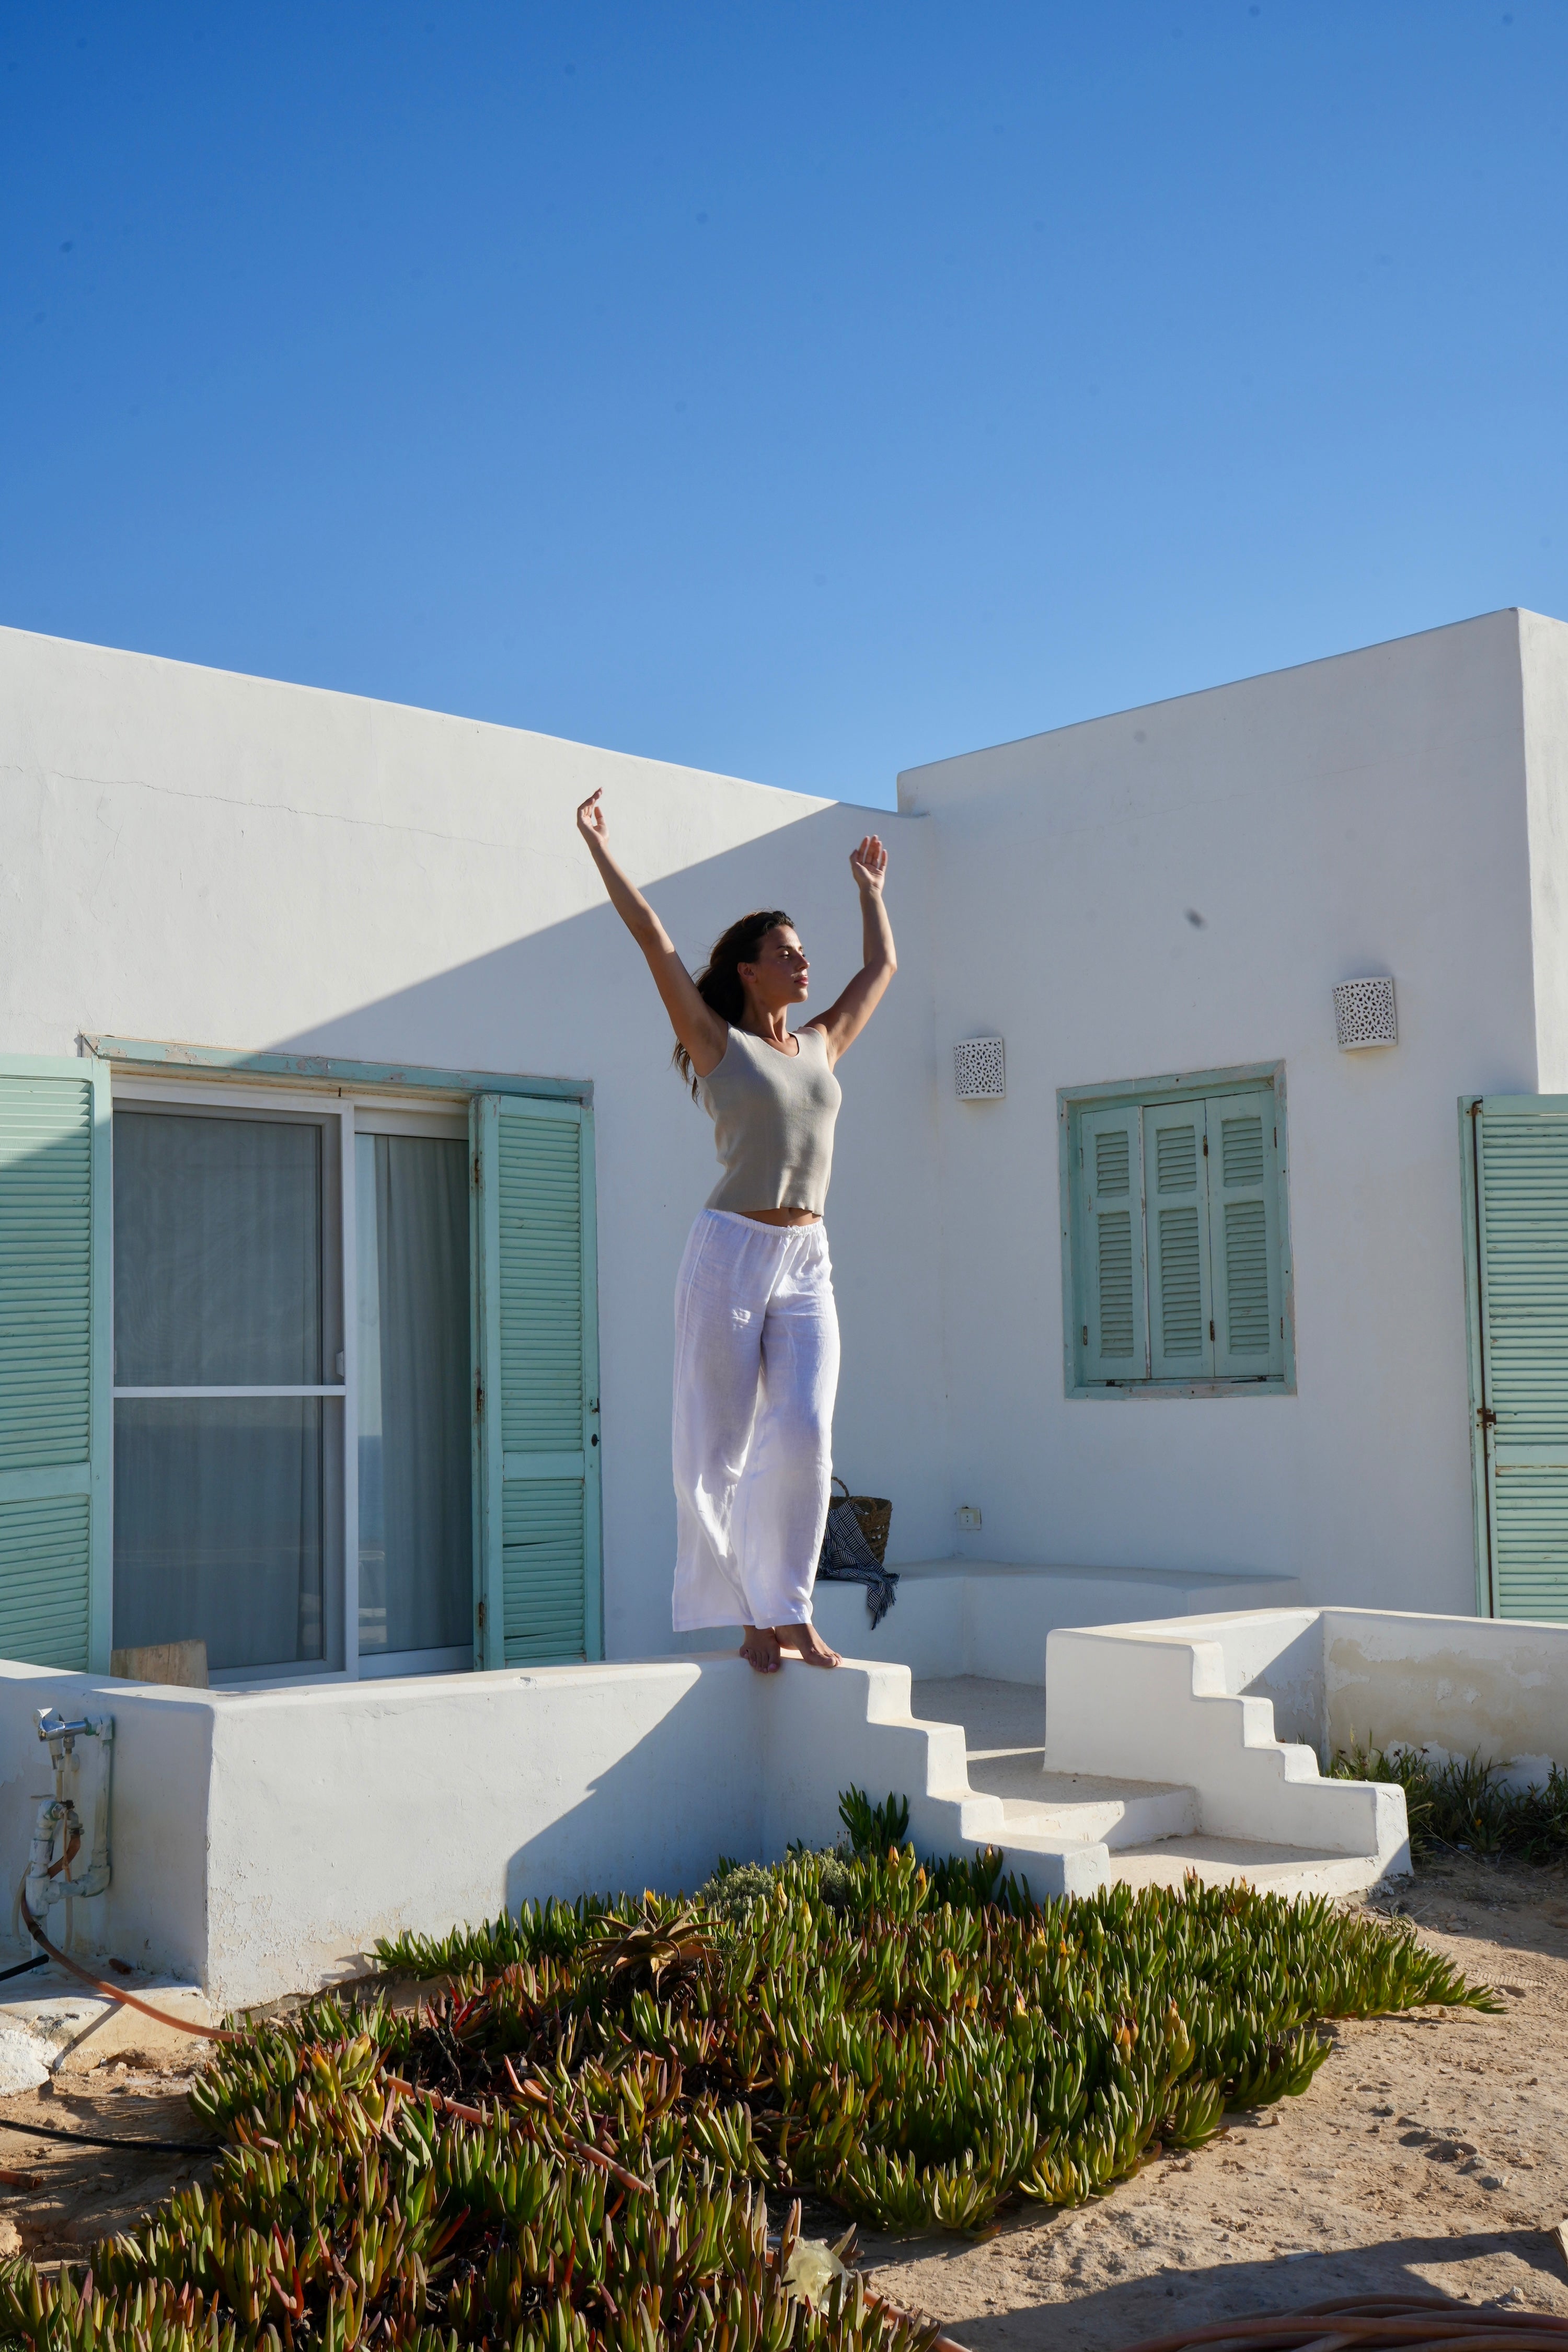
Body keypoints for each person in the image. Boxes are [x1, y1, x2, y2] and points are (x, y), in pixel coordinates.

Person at [575, 788, 897, 1673]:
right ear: (750, 970)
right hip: (728, 1253)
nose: (803, 965)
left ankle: (790, 1608)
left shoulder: (824, 1043)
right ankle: (748, 1616)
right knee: (713, 1449)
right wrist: (599, 846)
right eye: (786, 953)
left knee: (803, 1431)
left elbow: (882, 973)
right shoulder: (718, 1043)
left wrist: (871, 890)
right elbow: (655, 941)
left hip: (807, 1257)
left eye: (803, 953)